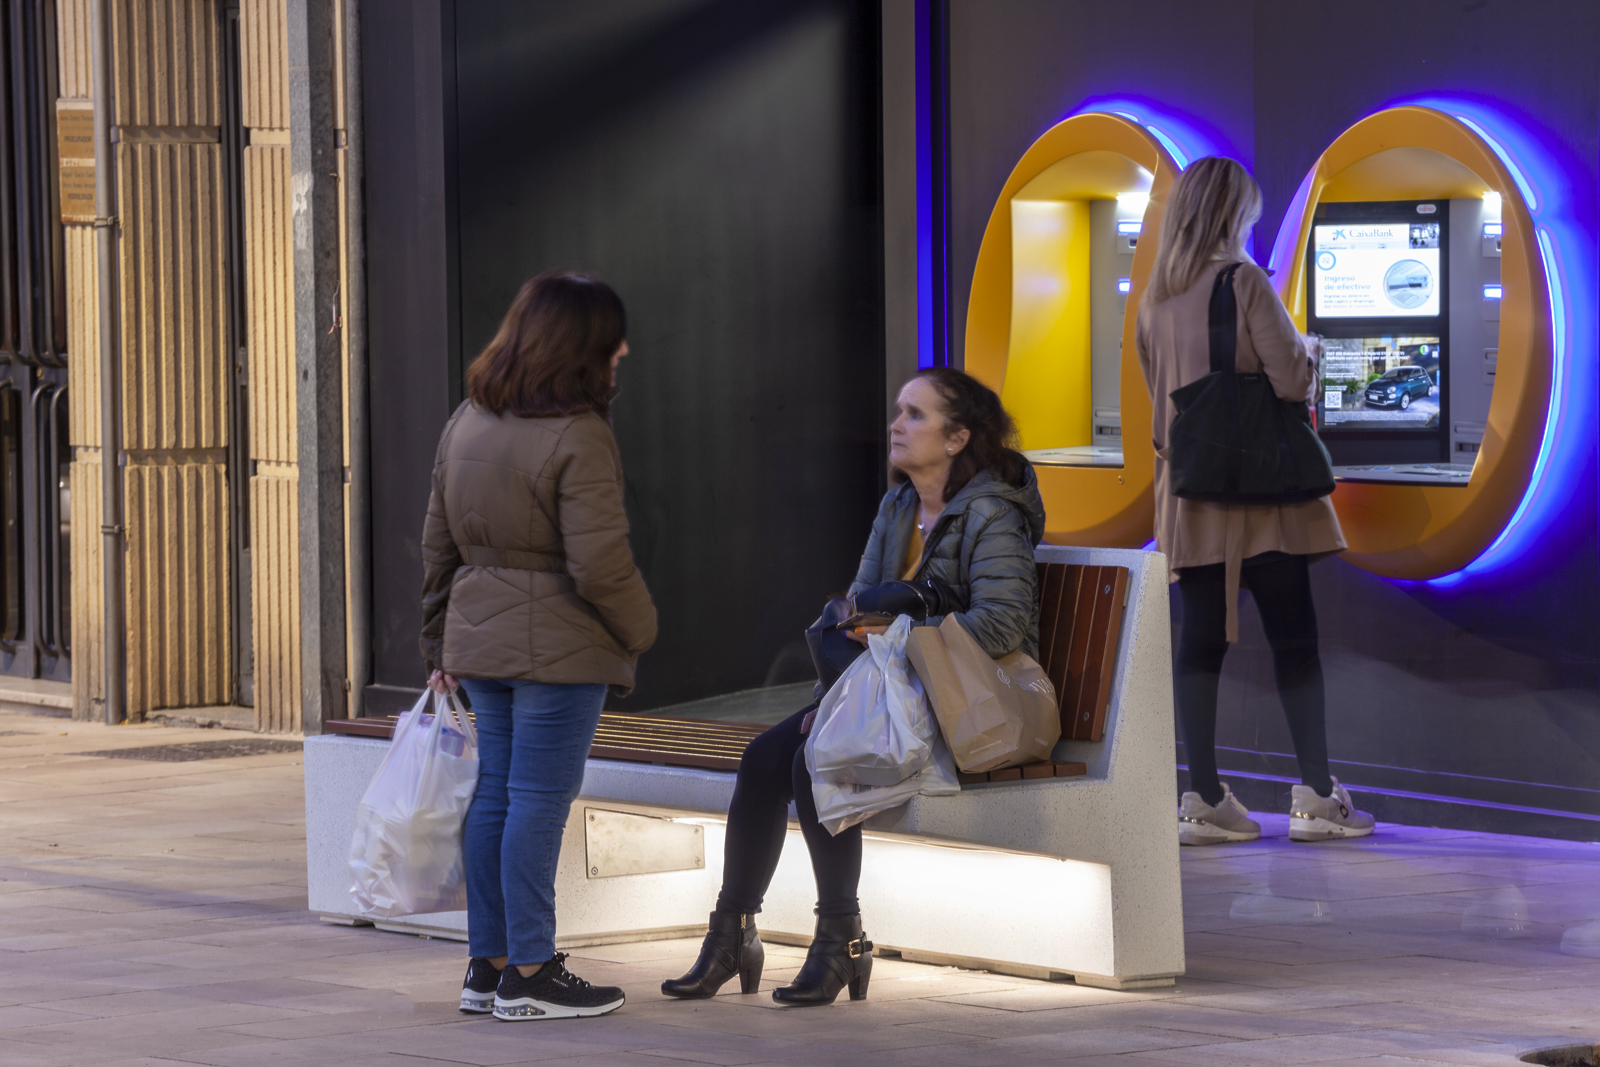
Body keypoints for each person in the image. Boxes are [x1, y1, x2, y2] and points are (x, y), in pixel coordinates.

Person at [660, 368, 1044, 1006]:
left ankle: (839, 941)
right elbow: (856, 612)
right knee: (765, 759)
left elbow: (1002, 625)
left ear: (957, 439)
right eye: (898, 411)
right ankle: (732, 935)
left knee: (820, 757)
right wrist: (834, 682)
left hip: (966, 701)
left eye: (915, 415)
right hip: (893, 690)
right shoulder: (899, 505)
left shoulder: (992, 514)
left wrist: (903, 629)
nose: (896, 425)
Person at [420, 272, 657, 1020]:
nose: (624, 348)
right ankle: (531, 970)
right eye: (612, 336)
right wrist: (641, 628)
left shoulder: (469, 418)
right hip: (562, 646)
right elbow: (599, 562)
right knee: (537, 800)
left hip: (479, 635)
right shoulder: (580, 431)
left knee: (495, 794)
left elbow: (437, 543)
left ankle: (486, 967)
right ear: (583, 345)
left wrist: (437, 638)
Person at [1135, 157, 1373, 846]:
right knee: (1295, 639)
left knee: (1200, 644)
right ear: (1233, 213)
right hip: (1262, 498)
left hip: (1191, 497)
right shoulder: (1244, 283)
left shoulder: (1155, 296)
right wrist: (1312, 348)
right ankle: (1318, 798)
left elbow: (1160, 407)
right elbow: (1292, 378)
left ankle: (1204, 796)